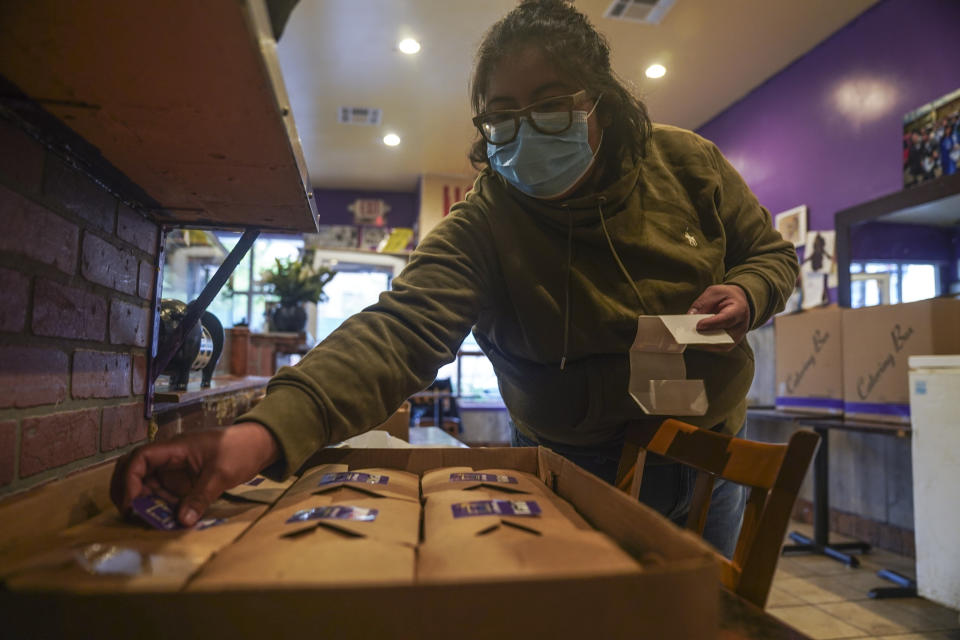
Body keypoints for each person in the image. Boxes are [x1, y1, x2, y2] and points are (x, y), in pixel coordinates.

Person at [111, 0, 799, 557]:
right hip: (574, 462)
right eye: (503, 114)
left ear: (603, 103)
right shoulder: (488, 220)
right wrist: (261, 436)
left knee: (702, 612)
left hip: (708, 441)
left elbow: (773, 255)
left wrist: (749, 291)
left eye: (551, 104)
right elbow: (399, 331)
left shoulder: (689, 164)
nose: (526, 131)